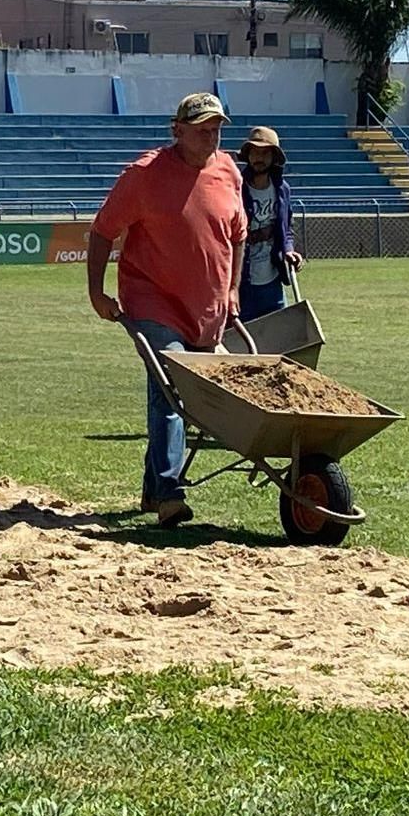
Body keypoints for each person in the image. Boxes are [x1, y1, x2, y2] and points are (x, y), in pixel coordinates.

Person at [86, 93, 246, 527]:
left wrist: (231, 290)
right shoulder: (144, 176)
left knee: (173, 392)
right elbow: (102, 233)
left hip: (206, 308)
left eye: (216, 129)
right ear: (177, 130)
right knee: (171, 385)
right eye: (201, 130)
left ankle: (152, 488)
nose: (211, 137)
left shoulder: (229, 171)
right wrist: (97, 291)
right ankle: (170, 489)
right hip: (151, 300)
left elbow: (238, 235)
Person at [237, 125, 303, 322]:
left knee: (278, 342)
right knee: (241, 346)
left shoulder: (282, 189)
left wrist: (289, 250)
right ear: (247, 155)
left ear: (274, 157)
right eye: (255, 152)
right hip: (241, 283)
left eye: (265, 153)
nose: (259, 157)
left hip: (273, 284)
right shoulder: (234, 188)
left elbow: (286, 229)